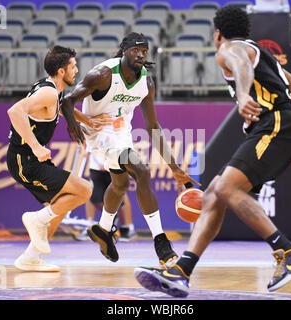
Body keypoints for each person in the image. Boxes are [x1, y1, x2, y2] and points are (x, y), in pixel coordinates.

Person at [134, 6, 291, 296]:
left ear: (217, 33)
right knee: (215, 192)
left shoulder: (228, 49)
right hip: (282, 129)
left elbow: (241, 65)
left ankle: (287, 251)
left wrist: (243, 94)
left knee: (229, 188)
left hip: (276, 126)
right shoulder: (262, 53)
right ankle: (182, 271)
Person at [60, 32, 200, 266]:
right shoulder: (103, 74)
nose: (141, 54)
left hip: (121, 131)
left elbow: (153, 127)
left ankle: (104, 229)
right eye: (136, 50)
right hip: (98, 132)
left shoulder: (146, 82)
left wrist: (174, 167)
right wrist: (74, 123)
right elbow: (66, 100)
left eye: (145, 51)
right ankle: (161, 243)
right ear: (124, 50)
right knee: (142, 171)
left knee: (121, 184)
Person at [6, 45, 110, 272]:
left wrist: (87, 121)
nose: (76, 70)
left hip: (31, 159)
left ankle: (30, 258)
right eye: (73, 66)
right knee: (84, 190)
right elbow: (15, 111)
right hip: (25, 160)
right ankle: (35, 221)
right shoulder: (49, 92)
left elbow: (61, 108)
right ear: (61, 71)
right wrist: (35, 146)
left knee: (57, 208)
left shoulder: (55, 89)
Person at [75, 152, 137, 241]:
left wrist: (111, 163)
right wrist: (86, 148)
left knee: (119, 194)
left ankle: (126, 228)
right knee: (93, 195)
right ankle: (92, 224)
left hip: (114, 166)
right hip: (96, 168)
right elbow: (88, 143)